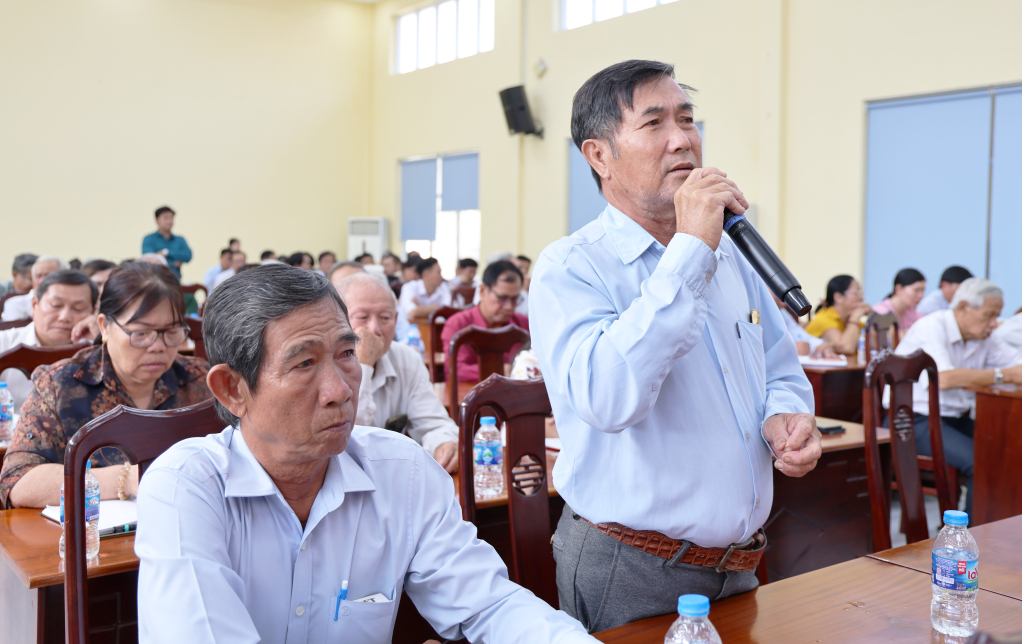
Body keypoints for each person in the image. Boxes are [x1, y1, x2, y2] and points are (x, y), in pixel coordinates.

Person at [132, 263, 596, 644]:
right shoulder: (185, 489)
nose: (340, 390)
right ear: (233, 389)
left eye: (347, 354)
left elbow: (490, 605)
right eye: (304, 363)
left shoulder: (402, 472)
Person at [529, 60, 820, 633]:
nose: (683, 138)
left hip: (738, 565)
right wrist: (689, 251)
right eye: (654, 122)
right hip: (632, 567)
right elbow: (608, 399)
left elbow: (778, 367)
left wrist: (784, 413)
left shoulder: (731, 256)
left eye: (687, 119)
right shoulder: (572, 266)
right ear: (599, 155)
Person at [0, 262, 212, 509]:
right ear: (105, 327)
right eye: (141, 333)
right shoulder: (59, 385)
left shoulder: (202, 380)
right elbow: (18, 482)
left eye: (172, 332)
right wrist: (126, 479)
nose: (158, 346)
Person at [893, 278, 1022, 519]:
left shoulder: (985, 335)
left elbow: (1018, 366)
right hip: (913, 421)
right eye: (989, 315)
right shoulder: (931, 326)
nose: (994, 324)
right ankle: (970, 532)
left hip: (955, 418)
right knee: (981, 462)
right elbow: (944, 378)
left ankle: (996, 524)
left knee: (1009, 451)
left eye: (997, 316)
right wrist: (1003, 375)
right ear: (963, 307)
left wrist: (1010, 373)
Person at [336, 272, 459, 472]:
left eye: (385, 318)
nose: (375, 329)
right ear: (337, 320)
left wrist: (444, 444)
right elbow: (348, 439)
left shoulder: (406, 359)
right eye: (362, 317)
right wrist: (364, 365)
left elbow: (435, 424)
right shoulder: (324, 367)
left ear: (396, 319)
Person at [0, 270, 98, 411]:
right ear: (34, 305)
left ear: (93, 312)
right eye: (56, 305)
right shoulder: (3, 343)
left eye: (78, 308)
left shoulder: (97, 351)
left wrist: (101, 341)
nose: (64, 317)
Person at [442, 260, 529, 382]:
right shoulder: (458, 324)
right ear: (482, 291)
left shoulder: (523, 324)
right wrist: (499, 371)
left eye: (515, 299)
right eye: (502, 298)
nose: (509, 307)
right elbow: (456, 370)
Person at [804, 275, 872, 355]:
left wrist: (872, 316)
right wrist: (855, 317)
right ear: (838, 297)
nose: (862, 298)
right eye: (857, 293)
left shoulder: (849, 320)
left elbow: (874, 345)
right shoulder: (824, 318)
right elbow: (846, 348)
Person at [769, 292, 836, 358]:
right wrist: (788, 352)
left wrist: (823, 344)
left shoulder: (781, 312)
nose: (784, 304)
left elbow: (800, 336)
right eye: (778, 296)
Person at [1, 255, 66, 321]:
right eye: (38, 276)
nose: (42, 281)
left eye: (48, 276)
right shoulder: (16, 304)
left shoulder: (69, 303)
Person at [141, 206, 193, 279]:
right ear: (157, 220)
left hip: (175, 280)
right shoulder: (149, 239)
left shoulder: (180, 240)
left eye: (171, 218)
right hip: (155, 279)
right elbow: (149, 261)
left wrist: (166, 252)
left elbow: (188, 256)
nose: (169, 221)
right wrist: (173, 264)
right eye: (165, 218)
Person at [872, 268, 926, 334]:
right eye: (916, 290)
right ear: (899, 289)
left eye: (923, 290)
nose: (921, 295)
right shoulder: (881, 312)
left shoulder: (914, 314)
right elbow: (891, 336)